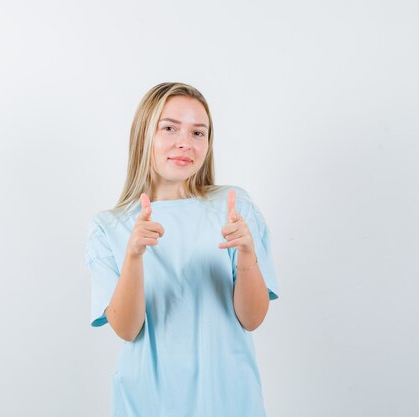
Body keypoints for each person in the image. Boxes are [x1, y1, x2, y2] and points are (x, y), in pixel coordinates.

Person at [84, 82, 280, 417]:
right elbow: (127, 329)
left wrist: (247, 256)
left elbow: (252, 318)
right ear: (144, 134)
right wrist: (133, 256)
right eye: (170, 128)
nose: (184, 143)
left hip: (228, 400)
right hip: (148, 403)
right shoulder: (110, 227)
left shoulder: (234, 207)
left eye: (198, 133)